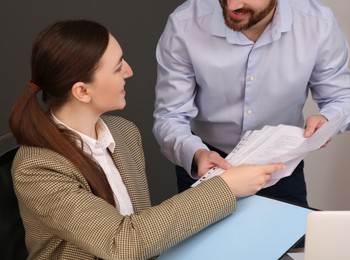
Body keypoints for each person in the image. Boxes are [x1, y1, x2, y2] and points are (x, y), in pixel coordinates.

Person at [9, 20, 284, 260]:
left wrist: (211, 174)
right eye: (117, 68)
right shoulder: (37, 168)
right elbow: (122, 242)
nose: (129, 71)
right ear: (82, 91)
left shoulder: (124, 133)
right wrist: (224, 188)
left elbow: (146, 232)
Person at [153, 0, 350, 207]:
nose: (232, 5)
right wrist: (196, 154)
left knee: (291, 239)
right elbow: (170, 117)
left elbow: (341, 98)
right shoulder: (185, 23)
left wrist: (327, 120)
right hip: (207, 164)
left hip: (281, 167)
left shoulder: (317, 22)